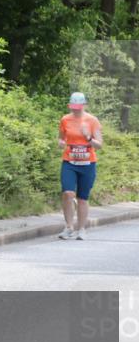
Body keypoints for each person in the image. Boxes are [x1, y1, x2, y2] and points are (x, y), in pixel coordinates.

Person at [57, 92, 102, 241]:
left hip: (88, 164)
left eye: (78, 107)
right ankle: (69, 227)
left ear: (84, 105)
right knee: (67, 193)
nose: (75, 110)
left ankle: (81, 229)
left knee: (82, 198)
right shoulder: (65, 119)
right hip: (69, 162)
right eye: (73, 107)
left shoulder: (92, 120)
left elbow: (99, 145)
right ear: (70, 106)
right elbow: (61, 138)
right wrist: (61, 143)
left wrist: (88, 137)